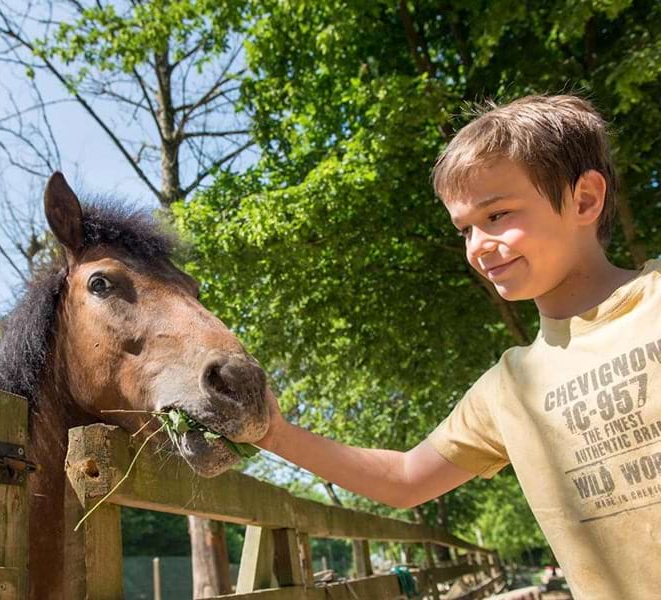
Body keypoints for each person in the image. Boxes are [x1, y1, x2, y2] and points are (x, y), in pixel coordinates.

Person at [256, 94, 660, 600]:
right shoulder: (508, 387)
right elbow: (404, 479)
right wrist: (272, 433)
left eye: (497, 215)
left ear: (583, 200)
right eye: (465, 228)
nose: (477, 247)